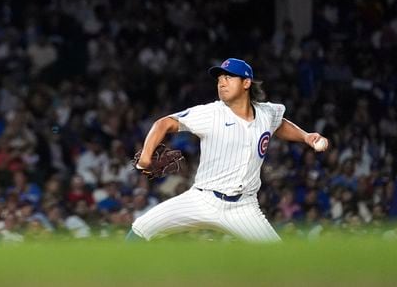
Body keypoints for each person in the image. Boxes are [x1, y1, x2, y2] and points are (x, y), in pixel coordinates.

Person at [127, 58, 329, 242]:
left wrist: (305, 136)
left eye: (228, 77)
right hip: (202, 199)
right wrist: (145, 156)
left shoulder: (267, 113)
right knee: (141, 228)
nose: (221, 83)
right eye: (219, 79)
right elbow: (164, 123)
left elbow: (279, 123)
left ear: (246, 83)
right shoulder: (210, 113)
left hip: (243, 207)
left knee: (280, 259)